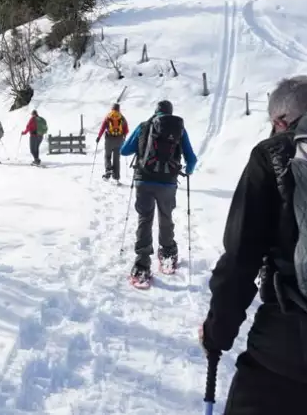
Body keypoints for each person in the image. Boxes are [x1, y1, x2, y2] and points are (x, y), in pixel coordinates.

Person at [200, 76, 307, 414]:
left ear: (280, 121)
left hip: (287, 348)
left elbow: (241, 257)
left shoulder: (274, 154)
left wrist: (217, 333)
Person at [120, 100, 197, 284]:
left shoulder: (144, 126)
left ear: (155, 112)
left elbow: (124, 151)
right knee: (165, 217)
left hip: (144, 179)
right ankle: (168, 253)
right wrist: (187, 170)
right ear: (170, 113)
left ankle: (142, 265)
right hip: (168, 182)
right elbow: (191, 159)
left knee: (145, 219)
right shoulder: (179, 129)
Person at [96, 103, 129, 183]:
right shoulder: (122, 117)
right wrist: (123, 136)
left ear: (112, 109)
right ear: (118, 109)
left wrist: (99, 137)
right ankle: (116, 178)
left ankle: (108, 171)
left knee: (107, 156)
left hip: (109, 140)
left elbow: (103, 128)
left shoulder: (108, 116)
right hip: (119, 140)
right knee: (116, 159)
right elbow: (126, 130)